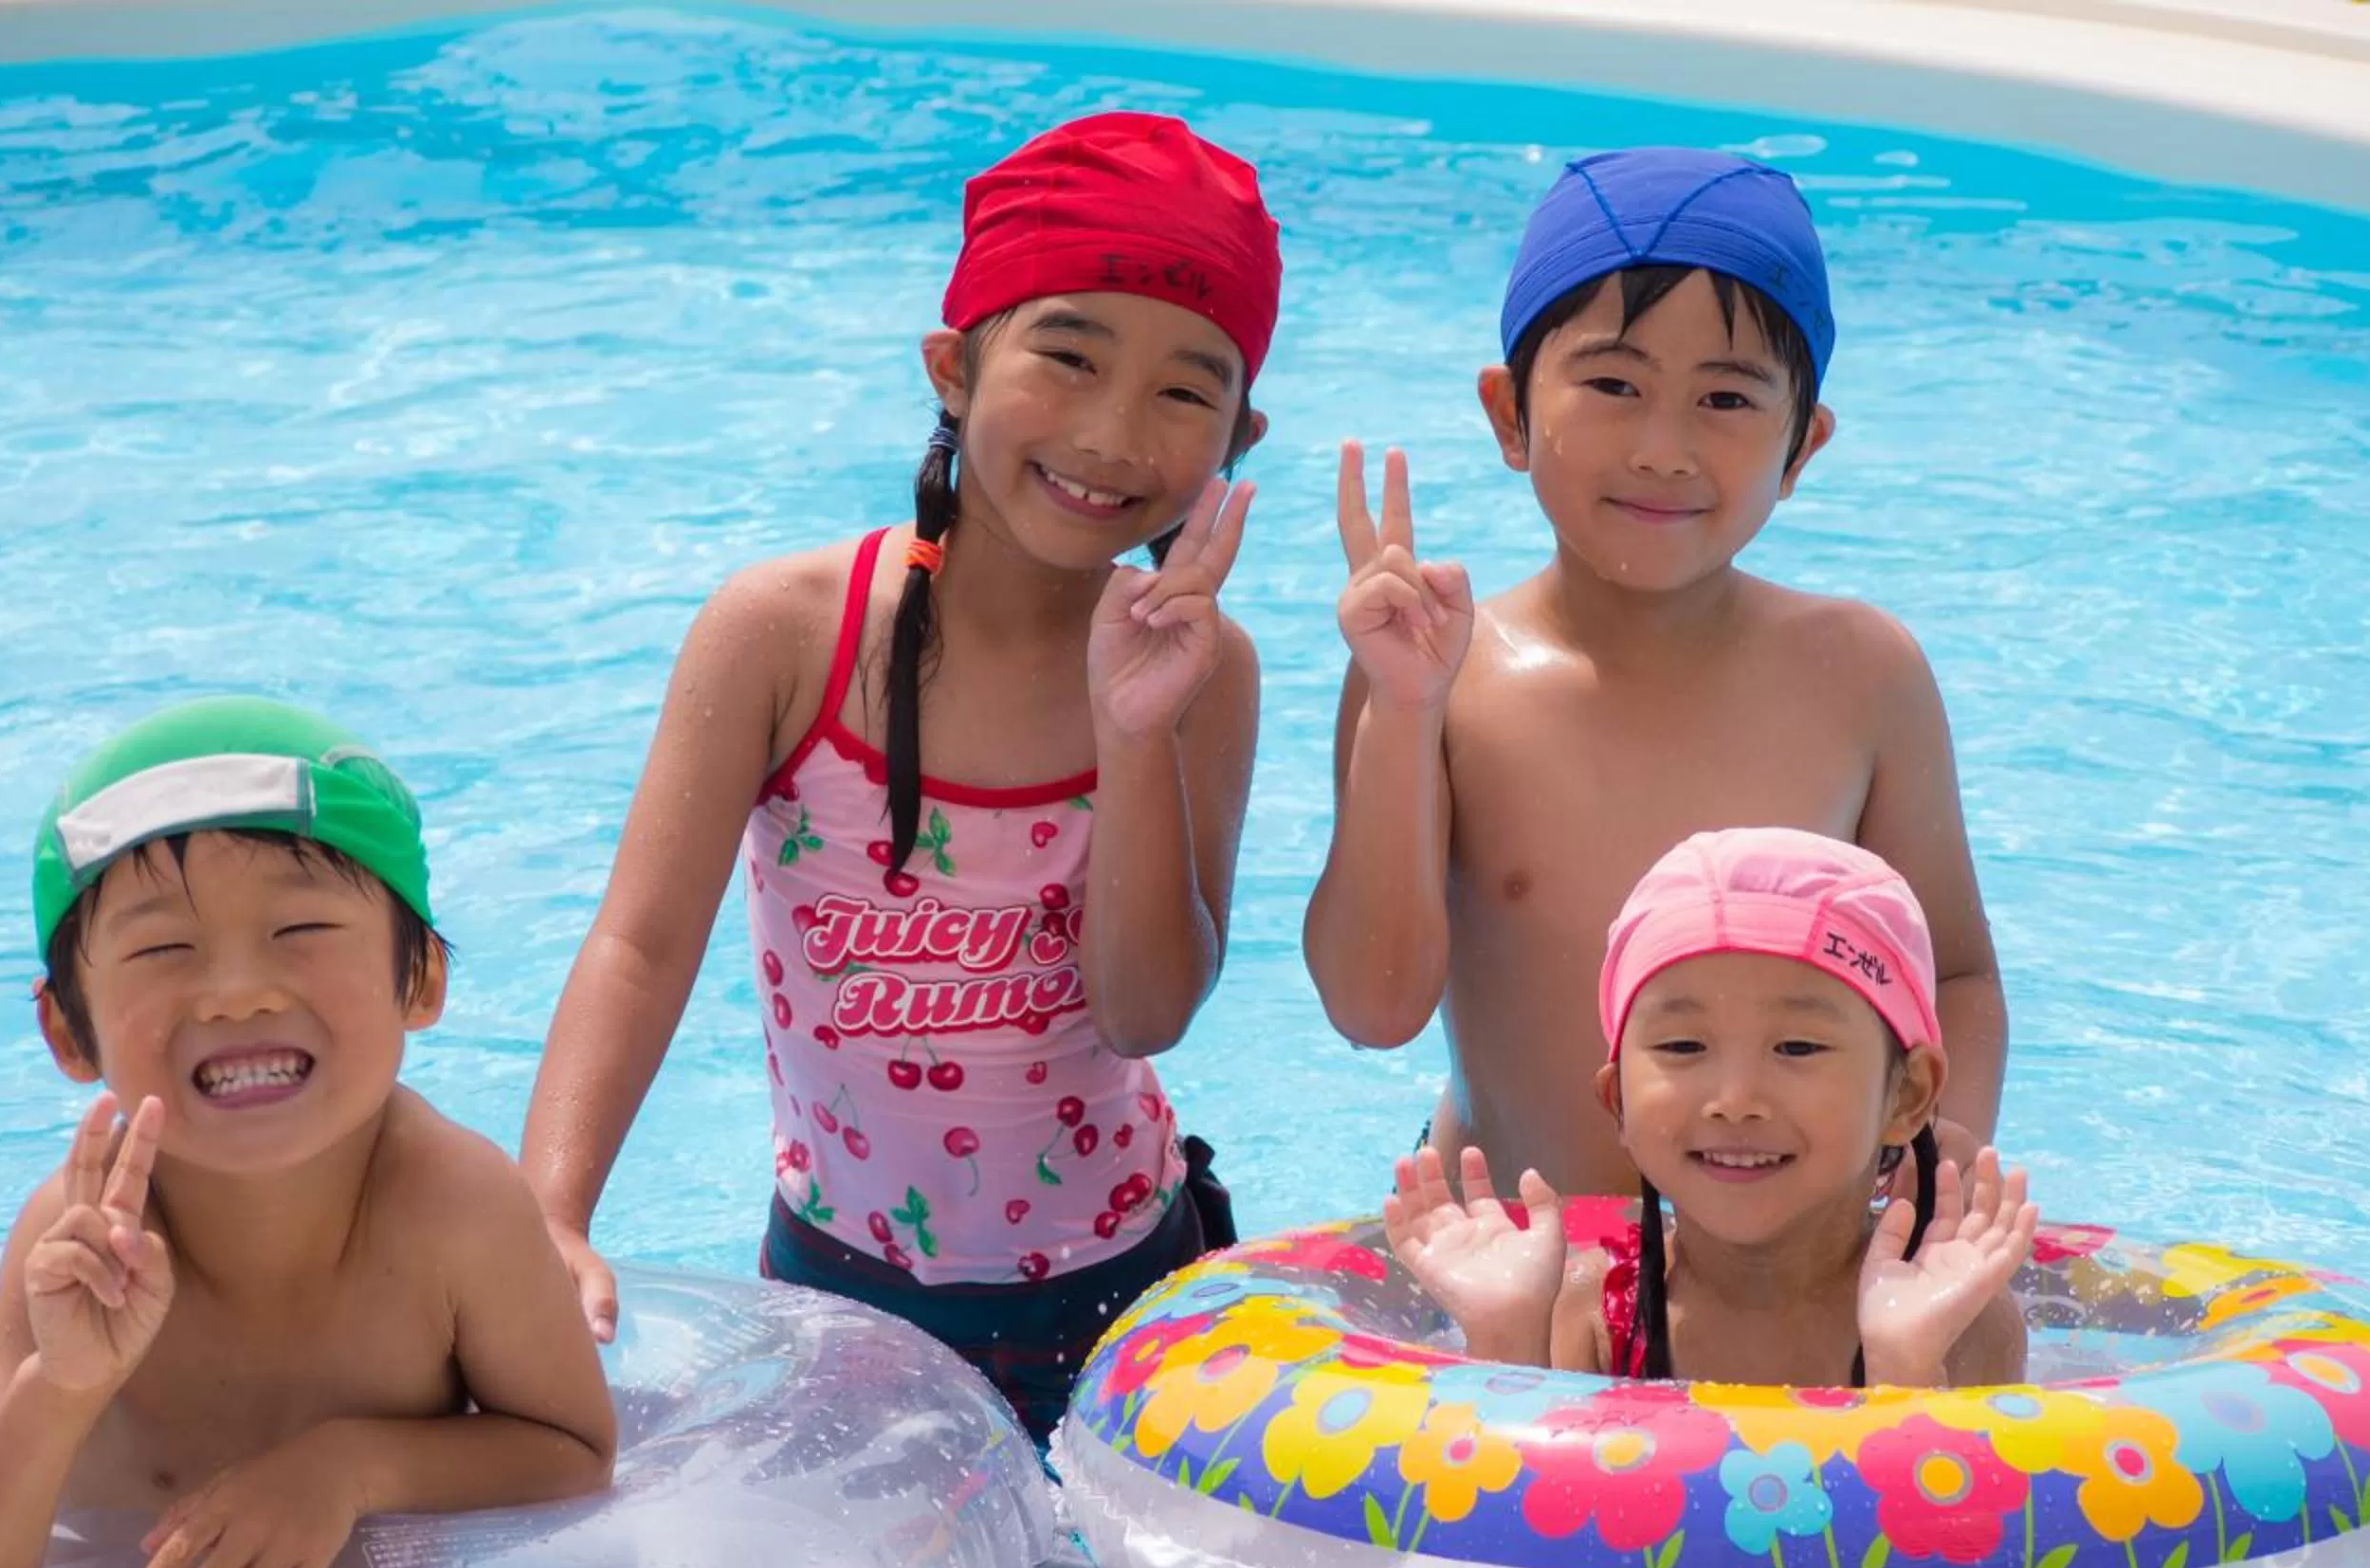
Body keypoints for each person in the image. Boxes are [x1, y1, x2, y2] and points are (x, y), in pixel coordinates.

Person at [522, 113, 1280, 1438]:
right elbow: (641, 945)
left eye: (1183, 388)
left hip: (1127, 1302)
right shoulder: (784, 635)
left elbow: (1146, 1011)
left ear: (1239, 432)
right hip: (844, 1301)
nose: (1113, 432)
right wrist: (548, 1214)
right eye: (1069, 353)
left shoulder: (1205, 673)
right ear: (954, 366)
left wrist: (1134, 726)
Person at [1304, 147, 2007, 1198]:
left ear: (1801, 448)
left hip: (1783, 1272)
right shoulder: (1433, 670)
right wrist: (1403, 713)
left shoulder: (1861, 676)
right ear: (1508, 414)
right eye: (1614, 384)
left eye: (1725, 399)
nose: (1664, 447)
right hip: (1520, 1256)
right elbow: (1375, 1007)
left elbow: (1953, 972)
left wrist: (1926, 1171)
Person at [0, 699, 615, 1568]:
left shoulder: (456, 1205)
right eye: (162, 949)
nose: (236, 990)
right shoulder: (80, 1237)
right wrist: (58, 1388)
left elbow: (574, 1452)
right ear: (68, 1030)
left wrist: (352, 1467)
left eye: (301, 927)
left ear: (422, 982)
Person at [1385, 828, 2031, 1390]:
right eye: (1683, 1045)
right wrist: (1505, 1336)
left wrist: (1904, 1364)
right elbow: (1512, 1515)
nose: (1735, 1100)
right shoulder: (1591, 1311)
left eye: (1798, 1046)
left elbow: (1949, 1528)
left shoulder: (1956, 1320)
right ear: (1619, 1103)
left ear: (1909, 1093)